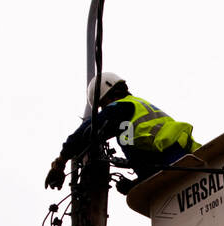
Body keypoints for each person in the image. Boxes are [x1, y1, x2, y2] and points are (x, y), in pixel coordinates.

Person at [45, 73, 200, 192]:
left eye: (102, 105)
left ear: (107, 95)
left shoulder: (120, 108)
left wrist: (60, 164)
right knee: (124, 136)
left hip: (174, 161)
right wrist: (136, 184)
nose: (103, 110)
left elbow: (85, 133)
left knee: (121, 136)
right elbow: (146, 155)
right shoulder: (137, 110)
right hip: (186, 158)